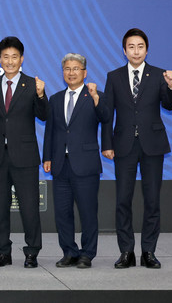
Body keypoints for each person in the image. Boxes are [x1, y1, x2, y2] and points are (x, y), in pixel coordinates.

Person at [102, 28, 172, 269]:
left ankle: (148, 251)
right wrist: (107, 144)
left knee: (152, 200)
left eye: (140, 46)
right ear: (124, 51)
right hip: (123, 145)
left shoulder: (158, 75)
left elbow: (169, 104)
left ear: (147, 49)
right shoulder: (114, 76)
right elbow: (107, 114)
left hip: (152, 145)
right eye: (131, 47)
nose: (136, 51)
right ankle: (126, 251)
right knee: (123, 200)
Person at [0, 36, 47, 268]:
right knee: (0, 208)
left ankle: (32, 252)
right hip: (0, 156)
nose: (10, 61)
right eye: (5, 57)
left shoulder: (33, 84)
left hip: (25, 156)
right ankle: (3, 252)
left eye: (14, 57)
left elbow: (44, 115)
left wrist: (41, 95)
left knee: (29, 208)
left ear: (22, 59)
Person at [43, 53, 111, 269]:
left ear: (84, 72)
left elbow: (106, 118)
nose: (71, 73)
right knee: (62, 213)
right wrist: (47, 157)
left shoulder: (95, 95)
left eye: (75, 69)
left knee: (88, 212)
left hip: (85, 163)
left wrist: (96, 99)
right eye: (67, 69)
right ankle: (69, 252)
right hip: (60, 164)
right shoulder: (55, 99)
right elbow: (50, 131)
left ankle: (87, 253)